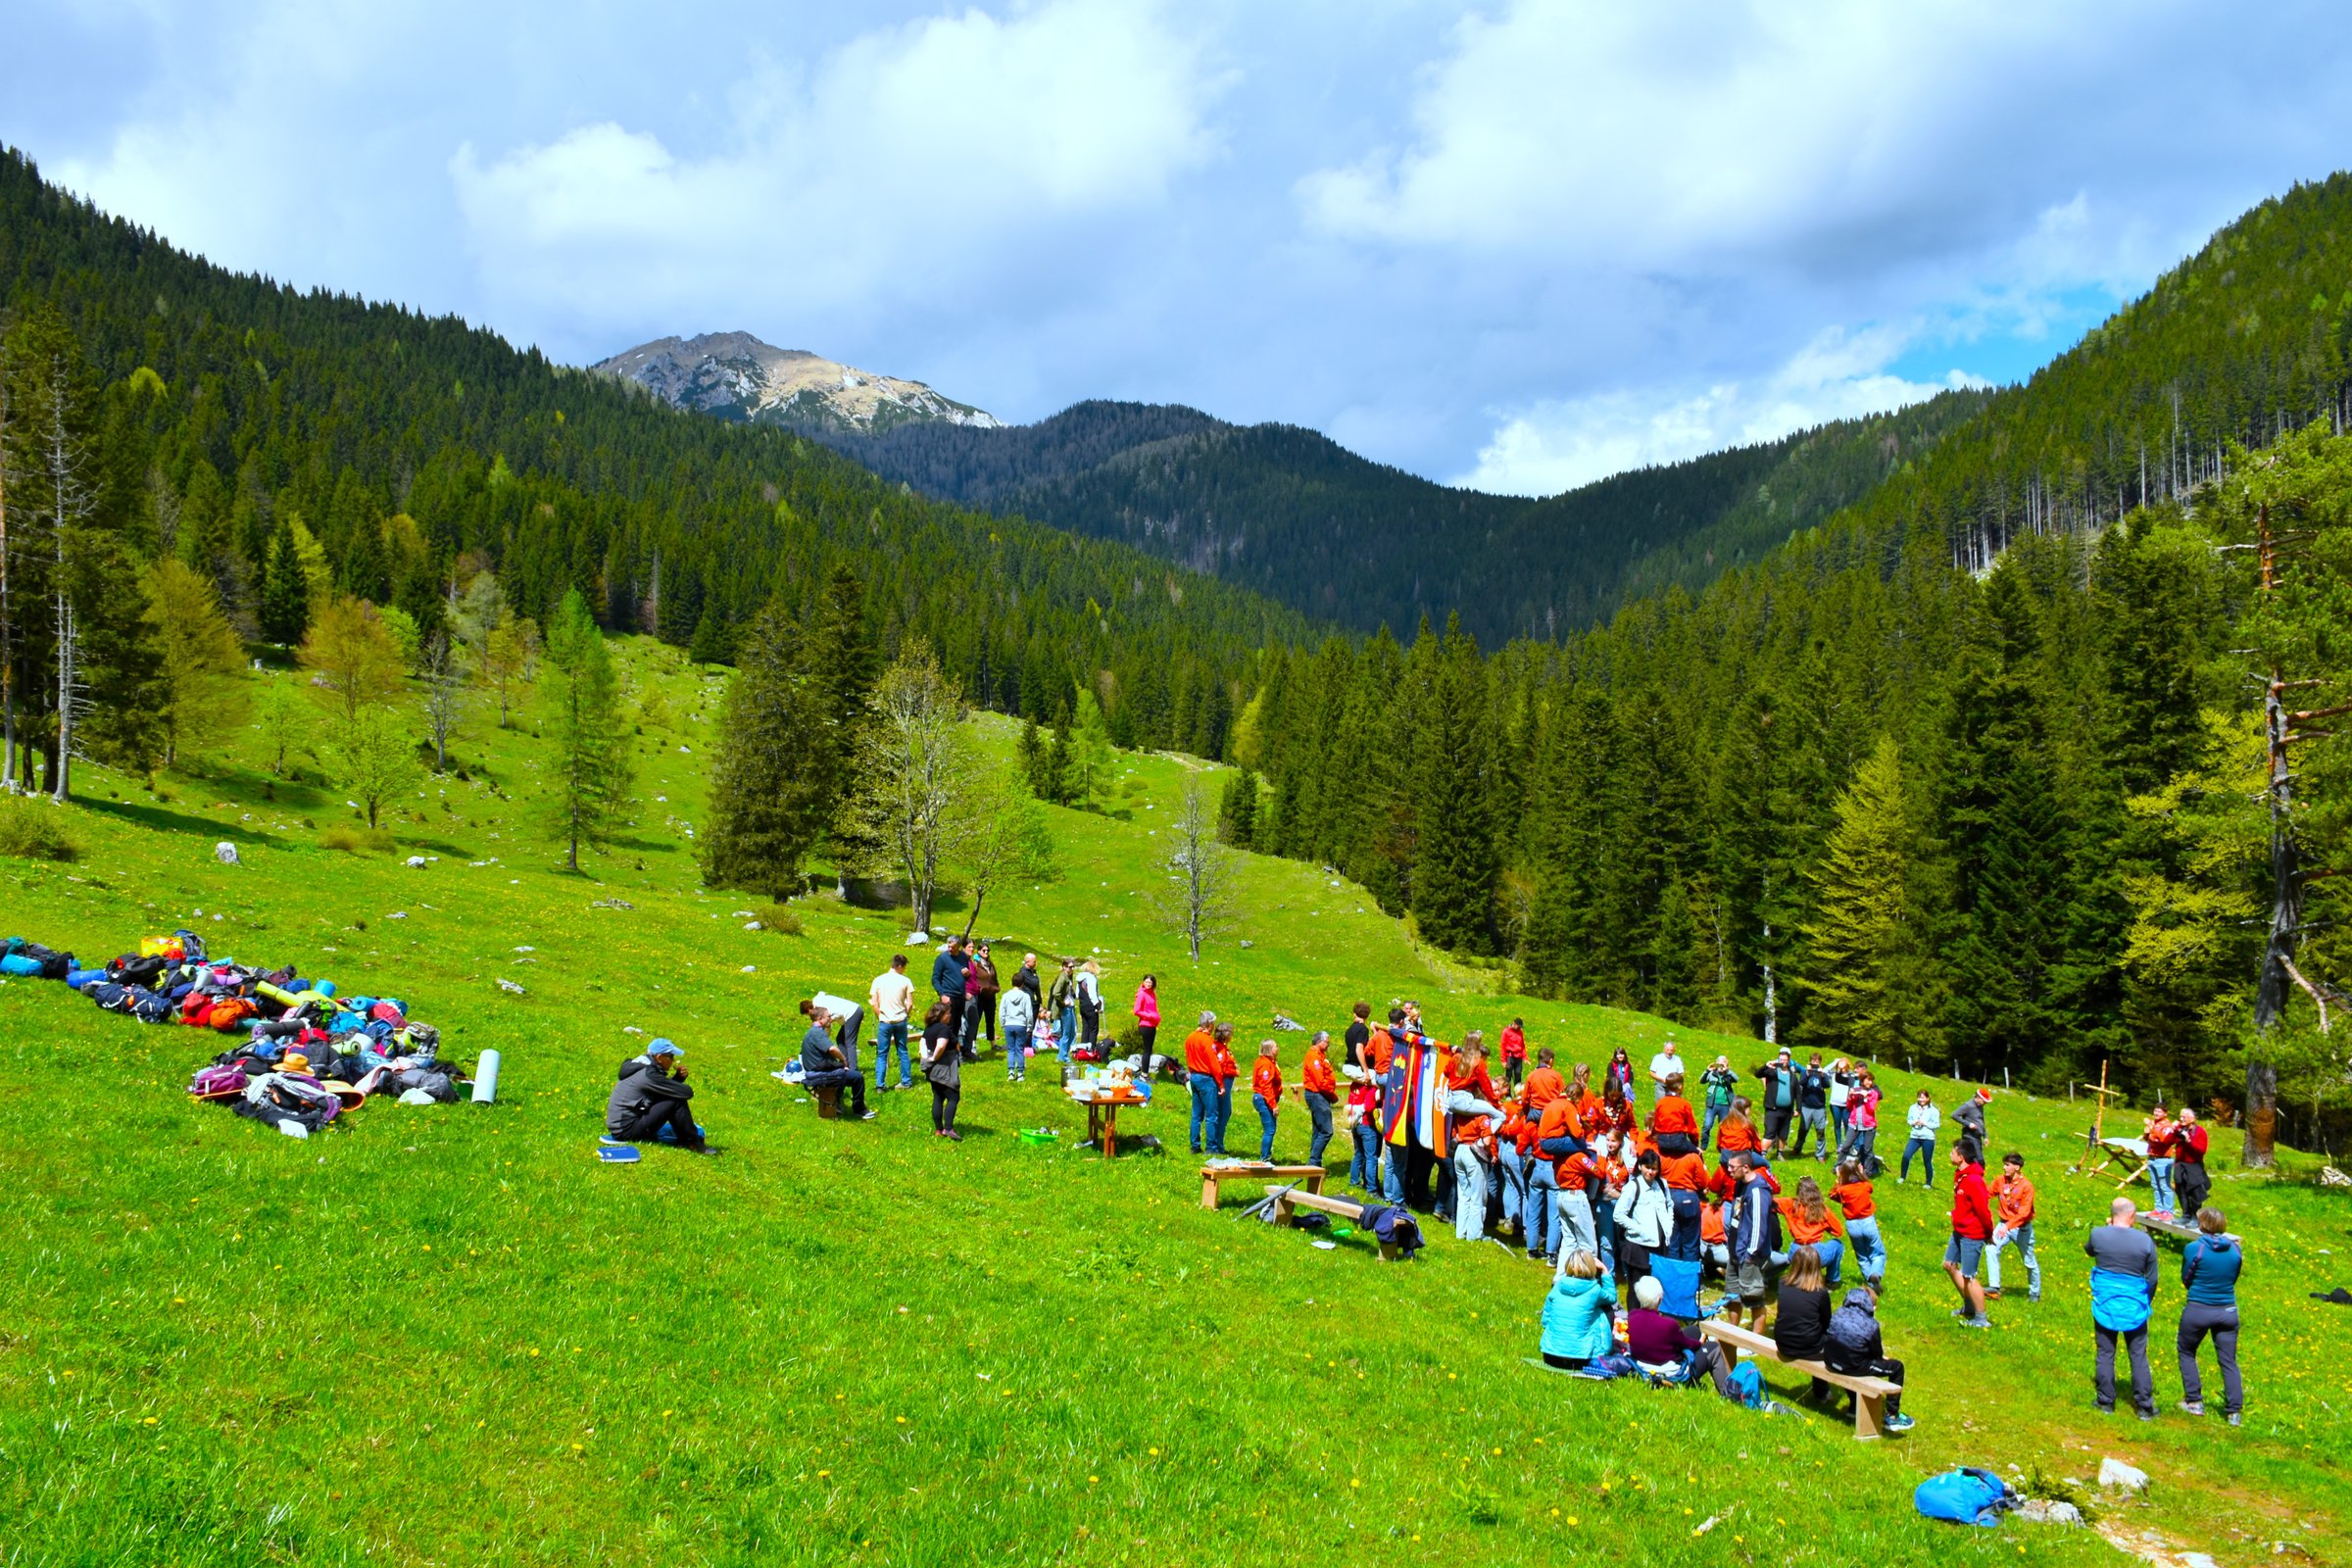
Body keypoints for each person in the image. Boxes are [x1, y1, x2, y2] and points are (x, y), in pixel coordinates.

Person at [2086, 1197, 2160, 1418]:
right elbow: (2152, 1278)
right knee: (2138, 1355)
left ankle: (2105, 1401)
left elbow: (2090, 1251)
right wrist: (2146, 1300)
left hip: (2106, 1303)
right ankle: (2144, 1407)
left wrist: (2107, 1229)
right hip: (2134, 1305)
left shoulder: (2098, 1234)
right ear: (2131, 1216)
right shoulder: (2145, 1241)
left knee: (2106, 1352)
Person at [2177, 1205, 2243, 1424]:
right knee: (2228, 1360)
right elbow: (2233, 1276)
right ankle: (2234, 1412)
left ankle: (2194, 1401)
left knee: (2186, 1351)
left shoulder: (2194, 1248)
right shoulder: (2235, 1250)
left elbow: (2186, 1277)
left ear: (2202, 1224)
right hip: (2228, 1310)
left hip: (2199, 1308)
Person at [1626, 1274, 1739, 1396]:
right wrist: (1701, 1341)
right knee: (1713, 1348)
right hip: (1670, 1372)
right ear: (1660, 1299)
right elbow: (1690, 1345)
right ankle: (1730, 1395)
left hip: (1642, 1364)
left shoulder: (1632, 1316)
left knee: (1693, 1330)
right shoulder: (1668, 1325)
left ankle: (1697, 1384)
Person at [1824, 1286, 1915, 1432]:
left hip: (1831, 1361)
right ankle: (1892, 1415)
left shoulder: (1839, 1312)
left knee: (1849, 1356)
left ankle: (1854, 1406)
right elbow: (1876, 1353)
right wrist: (1880, 1358)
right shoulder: (1871, 1324)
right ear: (1871, 1306)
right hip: (1852, 1366)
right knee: (1897, 1367)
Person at [605, 1039, 710, 1152]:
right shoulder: (650, 1075)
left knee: (672, 1098)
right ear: (659, 1057)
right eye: (670, 1057)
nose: (673, 1060)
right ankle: (693, 1142)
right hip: (626, 1130)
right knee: (676, 1101)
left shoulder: (640, 1066)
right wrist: (676, 1083)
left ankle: (689, 1140)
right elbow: (687, 1092)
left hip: (620, 1127)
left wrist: (677, 1079)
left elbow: (659, 1093)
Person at [1725, 1152, 1781, 1331]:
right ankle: (1732, 1333)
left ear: (1746, 1168)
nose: (1729, 1170)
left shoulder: (1758, 1191)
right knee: (1732, 1297)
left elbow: (1759, 1226)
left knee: (1754, 1300)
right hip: (1734, 1252)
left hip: (1749, 1257)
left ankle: (1754, 1343)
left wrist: (1750, 1254)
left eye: (1732, 1167)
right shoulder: (1740, 1185)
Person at [1775, 1245, 1838, 1404]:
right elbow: (1827, 1323)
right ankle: (1822, 1393)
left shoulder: (1782, 1283)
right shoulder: (1820, 1293)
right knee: (1832, 1344)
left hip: (1782, 1342)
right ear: (1817, 1267)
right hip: (1808, 1347)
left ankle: (1821, 1391)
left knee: (1814, 1336)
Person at [1944, 1137, 1993, 1328]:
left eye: (1953, 1152)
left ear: (1961, 1156)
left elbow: (1983, 1210)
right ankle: (1969, 1306)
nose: (1950, 1154)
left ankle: (1981, 1319)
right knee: (1949, 1265)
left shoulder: (1974, 1180)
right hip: (1959, 1230)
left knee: (1969, 1275)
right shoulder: (1961, 1175)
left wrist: (1988, 1233)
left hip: (1972, 1234)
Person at [1540, 1250, 1616, 1370]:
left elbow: (1545, 1320)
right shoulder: (1594, 1290)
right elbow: (1612, 1297)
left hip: (1551, 1354)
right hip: (1582, 1358)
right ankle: (1603, 1347)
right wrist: (1605, 1271)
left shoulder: (1557, 1286)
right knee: (1607, 1310)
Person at [800, 1003, 876, 1120]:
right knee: (857, 1078)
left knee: (843, 1073)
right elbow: (832, 1049)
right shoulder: (818, 1033)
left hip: (815, 1069)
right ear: (820, 1019)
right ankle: (859, 1109)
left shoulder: (812, 1032)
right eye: (828, 1017)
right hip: (820, 1073)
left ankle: (837, 1103)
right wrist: (843, 1060)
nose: (831, 1018)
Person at [1614, 1146, 1674, 1285]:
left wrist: (1669, 1226)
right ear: (1640, 1166)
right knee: (1637, 1288)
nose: (1650, 1172)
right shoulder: (1632, 1187)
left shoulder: (1662, 1184)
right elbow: (1618, 1214)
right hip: (1638, 1246)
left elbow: (1670, 1205)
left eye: (1654, 1169)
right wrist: (1638, 1229)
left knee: (1657, 1286)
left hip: (1660, 1245)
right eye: (1647, 1167)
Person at [1986, 1152, 2040, 1302]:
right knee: (1991, 1249)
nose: (2004, 1167)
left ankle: (2034, 1293)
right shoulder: (2000, 1180)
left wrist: (2009, 1226)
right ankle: (1994, 1287)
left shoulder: (2027, 1187)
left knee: (2029, 1262)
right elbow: (1987, 1193)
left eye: (2007, 1165)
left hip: (2021, 1228)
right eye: (2004, 1164)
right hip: (2003, 1224)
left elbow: (2024, 1213)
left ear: (2017, 1167)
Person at [1781, 1175, 1847, 1286]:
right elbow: (1838, 1231)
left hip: (1795, 1253)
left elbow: (1771, 1202)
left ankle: (1798, 1277)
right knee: (1838, 1245)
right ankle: (1832, 1280)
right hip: (1817, 1254)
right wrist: (1824, 1226)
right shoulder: (1822, 1210)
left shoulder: (1790, 1204)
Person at [1833, 1156, 1885, 1288]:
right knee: (1878, 1253)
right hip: (1868, 1222)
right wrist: (1862, 1173)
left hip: (1852, 1225)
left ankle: (1872, 1286)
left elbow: (1833, 1195)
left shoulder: (1842, 1190)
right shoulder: (1865, 1186)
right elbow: (1870, 1187)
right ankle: (1875, 1273)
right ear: (1858, 1171)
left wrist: (1839, 1180)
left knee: (1862, 1256)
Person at [868, 953, 917, 1093]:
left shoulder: (878, 980)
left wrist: (880, 1016)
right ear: (900, 966)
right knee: (903, 1051)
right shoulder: (905, 981)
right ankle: (906, 1082)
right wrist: (905, 1016)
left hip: (885, 1021)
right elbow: (910, 1004)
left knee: (882, 1053)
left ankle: (880, 1085)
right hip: (901, 1020)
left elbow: (874, 1003)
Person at [920, 1000, 962, 1141]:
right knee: (953, 1097)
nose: (949, 1015)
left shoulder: (929, 1028)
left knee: (938, 1097)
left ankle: (938, 1129)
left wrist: (927, 1060)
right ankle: (949, 1129)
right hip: (945, 1066)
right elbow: (941, 1046)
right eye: (947, 1013)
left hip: (933, 1069)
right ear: (940, 1014)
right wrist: (934, 1058)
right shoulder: (943, 1029)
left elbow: (923, 1044)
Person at [1183, 1012, 1221, 1156]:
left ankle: (1194, 1146)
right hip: (1206, 1078)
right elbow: (1214, 1063)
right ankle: (1211, 1147)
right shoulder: (1207, 1040)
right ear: (1209, 1024)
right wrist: (1221, 1084)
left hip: (1193, 1076)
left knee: (1196, 1115)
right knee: (1211, 1115)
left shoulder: (1190, 1038)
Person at [1301, 1029, 1338, 1168]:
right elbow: (1320, 1081)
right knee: (1327, 1131)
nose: (1328, 1045)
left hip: (1320, 1095)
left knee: (1318, 1130)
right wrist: (1332, 1095)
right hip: (1317, 1095)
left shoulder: (1321, 1056)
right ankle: (1313, 1161)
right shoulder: (1314, 1057)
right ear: (1319, 1041)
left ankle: (1315, 1164)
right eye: (1327, 1042)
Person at [2172, 1107, 2213, 1216]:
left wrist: (2189, 1141)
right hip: (2180, 1163)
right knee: (2180, 1188)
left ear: (2192, 1118)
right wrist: (2174, 1130)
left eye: (2184, 1117)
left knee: (2195, 1190)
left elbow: (2202, 1150)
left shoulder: (2200, 1131)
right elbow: (2170, 1141)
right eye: (2180, 1116)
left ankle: (2195, 1215)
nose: (2181, 1119)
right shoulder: (2180, 1129)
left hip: (2193, 1164)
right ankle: (2186, 1213)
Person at [961, 941, 999, 1059]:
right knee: (976, 1020)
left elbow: (994, 978)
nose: (986, 952)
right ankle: (973, 1044)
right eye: (984, 950)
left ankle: (992, 1043)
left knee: (990, 1019)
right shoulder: (976, 964)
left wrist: (996, 988)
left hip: (991, 995)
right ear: (979, 951)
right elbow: (973, 978)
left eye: (988, 950)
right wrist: (979, 988)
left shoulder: (990, 964)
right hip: (980, 996)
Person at [929, 939, 968, 1050]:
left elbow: (966, 975)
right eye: (949, 946)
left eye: (953, 947)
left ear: (959, 947)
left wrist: (967, 974)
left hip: (960, 997)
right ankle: (946, 1051)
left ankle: (954, 1052)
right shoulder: (942, 958)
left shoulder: (963, 957)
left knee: (957, 1024)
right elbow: (935, 979)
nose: (950, 949)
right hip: (948, 996)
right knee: (948, 1025)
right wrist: (942, 994)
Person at [1840, 1070, 1882, 1170]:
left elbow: (1871, 1109)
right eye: (1868, 1080)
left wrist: (1866, 1098)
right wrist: (1850, 1097)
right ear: (1862, 1080)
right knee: (1846, 1146)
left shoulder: (1873, 1093)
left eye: (1871, 1081)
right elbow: (1849, 1107)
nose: (1870, 1083)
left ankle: (1868, 1171)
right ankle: (1838, 1167)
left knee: (1867, 1150)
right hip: (1855, 1123)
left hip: (1869, 1125)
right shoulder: (1856, 1090)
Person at [1793, 1053, 1833, 1159]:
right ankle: (1797, 1148)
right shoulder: (1805, 1072)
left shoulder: (1822, 1073)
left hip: (1819, 1107)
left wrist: (1822, 1074)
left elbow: (1827, 1085)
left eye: (1817, 1061)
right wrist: (1807, 1072)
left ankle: (1820, 1155)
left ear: (1820, 1062)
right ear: (1810, 1061)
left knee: (1820, 1131)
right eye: (1813, 1061)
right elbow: (1802, 1082)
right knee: (1803, 1129)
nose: (1815, 1063)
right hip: (1806, 1105)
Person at [1650, 1072, 1699, 1156]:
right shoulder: (1684, 1104)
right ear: (1680, 1086)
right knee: (1697, 1154)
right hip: (1678, 1141)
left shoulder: (1660, 1103)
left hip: (1662, 1141)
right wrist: (1695, 1144)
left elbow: (1656, 1124)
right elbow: (1691, 1128)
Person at [2143, 1102, 2179, 1219]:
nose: (2156, 1113)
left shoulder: (2167, 1126)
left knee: (2164, 1186)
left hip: (2163, 1159)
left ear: (2165, 1113)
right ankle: (2159, 1208)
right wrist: (2147, 1132)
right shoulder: (2154, 1123)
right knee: (2155, 1185)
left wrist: (2151, 1128)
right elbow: (2149, 1139)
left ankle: (2168, 1211)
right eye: (2155, 1111)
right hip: (2152, 1157)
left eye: (2159, 1112)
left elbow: (2163, 1140)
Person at [1251, 1040, 1284, 1162]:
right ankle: (1264, 1158)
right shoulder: (1265, 1064)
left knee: (1271, 1128)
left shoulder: (1270, 1062)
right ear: (1269, 1049)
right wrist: (1273, 1105)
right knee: (1270, 1129)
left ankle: (1267, 1155)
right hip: (1263, 1099)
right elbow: (1266, 1086)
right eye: (1276, 1046)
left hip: (1265, 1098)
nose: (1278, 1048)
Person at [1698, 1055, 1740, 1149]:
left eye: (1723, 1063)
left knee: (1724, 1127)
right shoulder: (1712, 1073)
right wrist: (1707, 1071)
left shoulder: (1728, 1074)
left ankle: (1723, 1146)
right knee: (1707, 1125)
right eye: (1719, 1063)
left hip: (1725, 1105)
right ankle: (1703, 1146)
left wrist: (1727, 1071)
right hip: (1712, 1104)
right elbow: (1701, 1081)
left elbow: (1737, 1079)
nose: (1720, 1065)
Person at [1210, 1023, 1239, 1155]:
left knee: (1223, 1113)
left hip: (1225, 1081)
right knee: (1224, 1113)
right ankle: (1217, 1144)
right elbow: (1220, 1067)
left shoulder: (1221, 1048)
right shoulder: (1220, 1049)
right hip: (1223, 1082)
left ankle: (1217, 1142)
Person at [1900, 1090, 1940, 1185]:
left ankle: (1928, 1183)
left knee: (1927, 1160)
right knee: (1906, 1156)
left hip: (1928, 1138)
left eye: (1923, 1097)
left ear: (1927, 1098)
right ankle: (1902, 1177)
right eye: (1919, 1097)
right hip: (1915, 1136)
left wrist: (1925, 1123)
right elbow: (1909, 1119)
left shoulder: (1934, 1110)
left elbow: (1937, 1125)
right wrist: (1912, 1123)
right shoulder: (1912, 1108)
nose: (1921, 1100)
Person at [1000, 981, 1036, 1083]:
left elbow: (1002, 1011)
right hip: (1021, 1024)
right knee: (1019, 1049)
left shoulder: (1006, 995)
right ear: (1022, 984)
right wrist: (1029, 1026)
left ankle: (1011, 1072)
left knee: (1010, 1050)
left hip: (1009, 1024)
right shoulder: (1025, 996)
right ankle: (1020, 1073)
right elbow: (1029, 1013)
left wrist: (1003, 1024)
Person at [1048, 958, 1079, 1070]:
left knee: (1070, 1033)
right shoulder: (1062, 977)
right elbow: (1056, 992)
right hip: (1065, 1009)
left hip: (1069, 1007)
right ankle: (1065, 1057)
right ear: (1064, 967)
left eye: (1073, 967)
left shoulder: (1068, 977)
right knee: (1067, 1033)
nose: (1072, 969)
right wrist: (1063, 1002)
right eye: (1070, 967)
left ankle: (1061, 1056)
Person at [1075, 958, 1104, 1056]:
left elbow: (1077, 994)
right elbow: (1092, 993)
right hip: (1091, 1006)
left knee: (1085, 1028)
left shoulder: (1080, 979)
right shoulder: (1091, 978)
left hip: (1082, 1005)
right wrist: (1098, 1006)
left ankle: (1082, 1051)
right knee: (1093, 1029)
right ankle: (1091, 1050)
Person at [1827, 1058, 1855, 1150]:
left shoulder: (1851, 1076)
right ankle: (1839, 1144)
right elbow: (1824, 1071)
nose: (1842, 1065)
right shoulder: (1834, 1074)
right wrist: (1834, 1062)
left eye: (1843, 1063)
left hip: (1846, 1104)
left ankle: (1847, 1144)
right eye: (1840, 1063)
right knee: (1837, 1124)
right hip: (1835, 1104)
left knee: (1847, 1124)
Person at [1132, 973, 1161, 1062]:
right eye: (1147, 982)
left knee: (1149, 1051)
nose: (1148, 984)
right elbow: (1136, 1010)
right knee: (1147, 1051)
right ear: (1143, 982)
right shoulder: (1141, 994)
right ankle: (1144, 1074)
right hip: (1145, 1025)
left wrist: (1156, 1018)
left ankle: (1145, 1073)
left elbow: (1153, 1009)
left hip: (1152, 1025)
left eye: (1150, 983)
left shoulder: (1152, 994)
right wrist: (1150, 1016)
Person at [1344, 1001, 1374, 1073]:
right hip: (1357, 1067)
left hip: (1348, 1065)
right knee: (1380, 1082)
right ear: (1368, 1015)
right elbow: (1359, 1049)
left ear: (1354, 1014)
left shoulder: (1349, 1029)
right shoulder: (1363, 1029)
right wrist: (1365, 1070)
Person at [1499, 1016, 1528, 1089]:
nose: (1519, 1028)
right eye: (1518, 1026)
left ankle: (1517, 1092)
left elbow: (1522, 1045)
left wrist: (1525, 1057)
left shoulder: (1520, 1032)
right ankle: (1508, 1093)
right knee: (1508, 1076)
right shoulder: (1506, 1032)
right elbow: (1503, 1046)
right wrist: (1503, 1060)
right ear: (1514, 1024)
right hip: (1510, 1056)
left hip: (1518, 1057)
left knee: (1518, 1074)